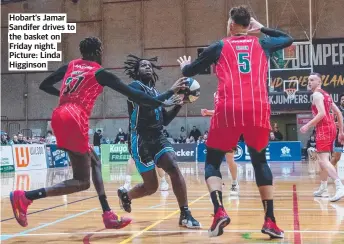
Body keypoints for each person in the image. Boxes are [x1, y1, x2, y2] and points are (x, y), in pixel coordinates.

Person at [9, 37, 182, 229]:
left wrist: (68, 96)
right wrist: (168, 95)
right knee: (82, 182)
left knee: (95, 161)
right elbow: (137, 96)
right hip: (75, 117)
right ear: (98, 51)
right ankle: (25, 197)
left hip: (60, 114)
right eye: (101, 50)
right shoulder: (100, 73)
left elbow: (44, 85)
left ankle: (107, 214)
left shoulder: (71, 65)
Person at [177, 6, 293, 237]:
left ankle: (219, 211)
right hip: (258, 110)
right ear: (249, 25)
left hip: (228, 110)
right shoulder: (263, 43)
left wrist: (184, 67)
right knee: (260, 162)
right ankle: (270, 220)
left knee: (212, 162)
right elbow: (287, 38)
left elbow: (190, 71)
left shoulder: (219, 46)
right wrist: (262, 29)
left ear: (231, 24)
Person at [117, 55, 201, 229]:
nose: (147, 68)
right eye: (143, 66)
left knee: (173, 166)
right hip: (140, 139)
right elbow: (148, 104)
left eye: (149, 66)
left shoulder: (156, 93)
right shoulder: (134, 87)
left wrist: (179, 104)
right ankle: (127, 196)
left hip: (158, 136)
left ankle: (185, 214)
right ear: (136, 71)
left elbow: (164, 121)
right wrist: (170, 92)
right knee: (151, 187)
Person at [300, 73, 344, 201]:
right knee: (322, 159)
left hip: (324, 128)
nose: (309, 82)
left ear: (319, 82)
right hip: (330, 128)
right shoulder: (326, 95)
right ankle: (323, 186)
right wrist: (341, 131)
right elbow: (339, 113)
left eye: (312, 80)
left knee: (323, 160)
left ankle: (339, 186)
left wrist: (307, 126)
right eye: (308, 80)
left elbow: (321, 114)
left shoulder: (317, 95)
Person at [201, 92, 239, 196]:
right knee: (214, 162)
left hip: (230, 131)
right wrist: (209, 112)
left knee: (230, 159)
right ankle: (217, 183)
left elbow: (226, 112)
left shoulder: (233, 93)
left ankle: (235, 183)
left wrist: (209, 112)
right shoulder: (216, 94)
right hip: (217, 131)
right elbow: (218, 111)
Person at [332, 94, 344, 167]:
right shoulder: (336, 110)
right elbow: (331, 121)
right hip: (339, 136)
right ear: (340, 101)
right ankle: (327, 172)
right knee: (337, 157)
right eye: (342, 99)